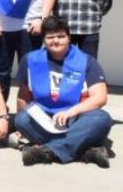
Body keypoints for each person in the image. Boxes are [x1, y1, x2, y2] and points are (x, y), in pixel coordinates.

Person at [14, 17, 113, 168]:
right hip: (44, 118)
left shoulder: (87, 61)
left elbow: (100, 98)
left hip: (76, 118)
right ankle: (83, 149)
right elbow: (23, 95)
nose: (56, 41)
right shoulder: (30, 59)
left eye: (61, 36)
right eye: (50, 37)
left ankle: (48, 151)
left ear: (69, 37)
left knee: (102, 118)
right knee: (21, 119)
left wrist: (71, 112)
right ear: (43, 40)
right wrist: (21, 129)